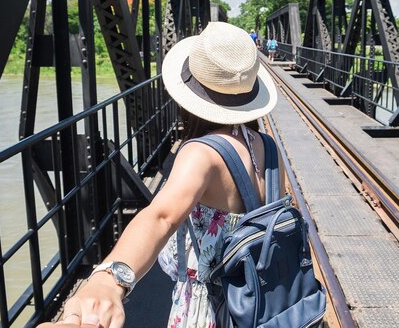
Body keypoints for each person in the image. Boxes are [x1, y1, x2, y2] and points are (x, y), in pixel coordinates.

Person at [38, 22, 280, 328]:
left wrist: (109, 279)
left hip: (212, 305)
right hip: (256, 294)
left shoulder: (201, 153)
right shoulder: (267, 147)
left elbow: (161, 217)